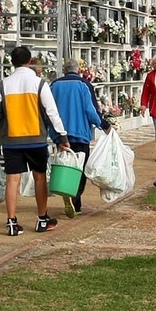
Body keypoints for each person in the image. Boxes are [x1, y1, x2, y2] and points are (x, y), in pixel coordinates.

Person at [0, 44, 69, 235]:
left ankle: (12, 223)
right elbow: (51, 112)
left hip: (12, 140)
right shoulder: (39, 83)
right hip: (36, 140)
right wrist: (61, 136)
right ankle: (42, 219)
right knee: (39, 178)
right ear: (29, 61)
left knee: (12, 180)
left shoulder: (4, 85)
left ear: (12, 63)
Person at [50, 58, 108, 217]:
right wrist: (103, 124)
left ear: (64, 70)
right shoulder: (84, 85)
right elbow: (91, 110)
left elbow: (48, 109)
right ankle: (76, 198)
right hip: (80, 133)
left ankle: (66, 191)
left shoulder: (54, 85)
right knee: (79, 168)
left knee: (65, 164)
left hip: (61, 134)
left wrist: (52, 132)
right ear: (78, 70)